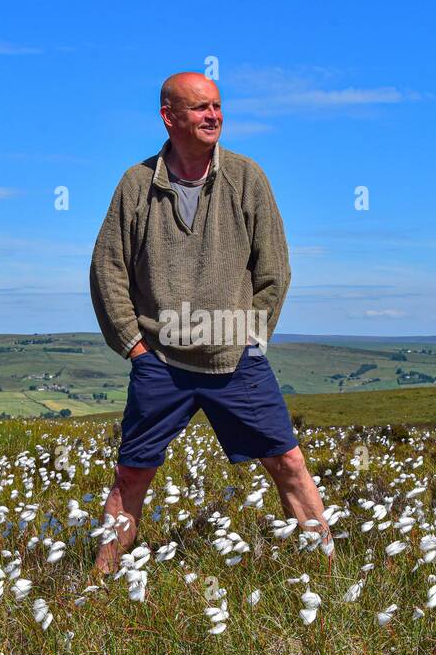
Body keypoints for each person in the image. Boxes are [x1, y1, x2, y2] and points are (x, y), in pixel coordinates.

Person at [88, 71, 333, 574]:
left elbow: (275, 269)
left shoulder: (247, 177)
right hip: (161, 361)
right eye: (199, 108)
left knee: (288, 463)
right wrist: (134, 345)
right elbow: (107, 267)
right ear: (169, 116)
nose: (213, 116)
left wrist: (250, 336)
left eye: (217, 106)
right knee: (132, 474)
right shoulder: (136, 184)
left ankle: (327, 576)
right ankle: (100, 582)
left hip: (234, 359)